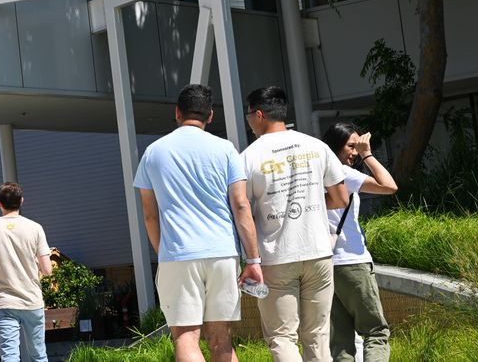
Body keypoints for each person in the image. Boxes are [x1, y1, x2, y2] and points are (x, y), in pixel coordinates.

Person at [134, 84, 264, 362]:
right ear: (211, 116)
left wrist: (164, 251)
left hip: (178, 253)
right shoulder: (226, 149)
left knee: (185, 337)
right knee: (222, 340)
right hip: (222, 252)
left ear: (177, 112)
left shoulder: (153, 152)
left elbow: (149, 214)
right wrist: (253, 259)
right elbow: (241, 205)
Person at [242, 86, 349, 362]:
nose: (249, 122)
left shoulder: (249, 156)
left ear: (260, 114)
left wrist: (250, 258)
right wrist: (311, 197)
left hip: (276, 256)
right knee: (318, 334)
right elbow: (340, 198)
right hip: (319, 252)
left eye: (249, 116)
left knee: (281, 336)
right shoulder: (316, 146)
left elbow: (241, 208)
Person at [321, 123, 398, 362]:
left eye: (357, 147)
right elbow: (389, 186)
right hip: (352, 263)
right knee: (375, 332)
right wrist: (368, 154)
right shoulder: (343, 173)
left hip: (324, 265)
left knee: (341, 342)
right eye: (350, 146)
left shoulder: (315, 174)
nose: (354, 152)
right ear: (336, 146)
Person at [0, 182, 53, 362]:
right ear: (22, 201)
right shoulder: (35, 228)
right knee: (38, 355)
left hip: (4, 302)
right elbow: (48, 270)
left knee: (9, 356)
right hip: (32, 301)